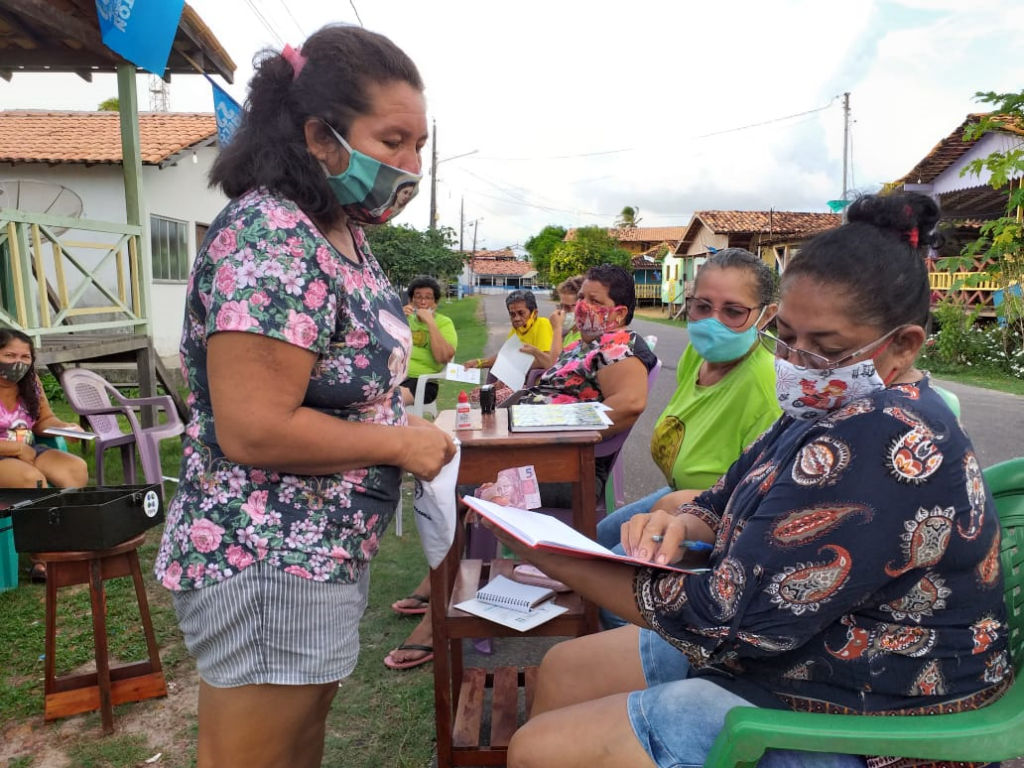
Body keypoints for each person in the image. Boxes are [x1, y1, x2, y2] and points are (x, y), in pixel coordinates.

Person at [489, 192, 1010, 768]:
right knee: (566, 667)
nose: (795, 361)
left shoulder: (886, 429)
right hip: (802, 653)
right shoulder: (823, 406)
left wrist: (557, 553)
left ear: (904, 345)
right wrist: (680, 519)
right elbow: (726, 491)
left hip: (870, 704)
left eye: (825, 347)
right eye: (785, 336)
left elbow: (726, 616)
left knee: (542, 749)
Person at [153, 26, 457, 768]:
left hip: (318, 550)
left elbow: (337, 380)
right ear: (321, 136)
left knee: (299, 734)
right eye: (394, 141)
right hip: (265, 553)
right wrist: (399, 443)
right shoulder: (270, 238)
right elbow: (254, 430)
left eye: (420, 145)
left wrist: (395, 419)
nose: (411, 167)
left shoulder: (338, 230)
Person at [385, 264, 656, 669]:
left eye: (594, 301)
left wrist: (552, 427)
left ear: (618, 313)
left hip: (559, 468)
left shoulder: (619, 344)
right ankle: (437, 586)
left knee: (459, 486)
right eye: (581, 297)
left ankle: (434, 617)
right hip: (526, 448)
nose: (581, 307)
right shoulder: (586, 345)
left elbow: (630, 403)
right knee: (444, 461)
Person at [595, 248, 781, 628]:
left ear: (767, 314)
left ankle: (641, 657)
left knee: (612, 588)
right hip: (676, 498)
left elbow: (763, 501)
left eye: (733, 312)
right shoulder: (698, 356)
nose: (712, 323)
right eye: (701, 307)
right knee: (597, 540)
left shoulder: (768, 387)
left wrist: (683, 505)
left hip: (720, 520)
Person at [0, 329, 89, 582]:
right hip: (6, 455)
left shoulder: (31, 382)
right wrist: (16, 449)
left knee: (75, 469)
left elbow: (43, 420)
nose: (18, 362)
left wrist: (66, 428)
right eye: (9, 355)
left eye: (25, 357)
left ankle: (65, 541)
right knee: (31, 480)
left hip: (30, 449)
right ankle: (43, 558)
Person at [463, 289, 553, 402]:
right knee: (478, 394)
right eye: (512, 314)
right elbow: (504, 357)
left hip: (533, 385)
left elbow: (545, 361)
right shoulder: (516, 330)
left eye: (521, 313)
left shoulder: (542, 324)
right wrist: (479, 363)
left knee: (490, 398)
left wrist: (515, 365)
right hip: (514, 381)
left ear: (534, 313)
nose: (516, 318)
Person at [399, 275, 458, 406]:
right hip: (395, 377)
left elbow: (443, 357)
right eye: (418, 297)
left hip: (423, 383)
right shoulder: (405, 318)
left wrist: (430, 322)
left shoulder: (444, 323)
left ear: (435, 303)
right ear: (411, 300)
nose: (423, 302)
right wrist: (397, 319)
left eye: (428, 298)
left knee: (387, 401)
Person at [531, 275, 583, 370]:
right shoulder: (569, 334)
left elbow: (557, 366)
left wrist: (557, 328)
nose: (562, 311)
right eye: (561, 306)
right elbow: (550, 364)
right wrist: (535, 351)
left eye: (568, 307)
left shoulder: (583, 338)